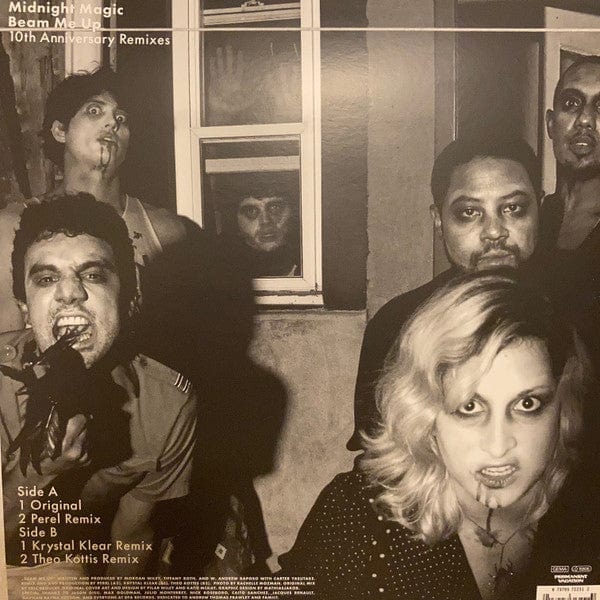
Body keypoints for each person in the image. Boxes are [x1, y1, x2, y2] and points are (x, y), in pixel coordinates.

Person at [280, 271, 589, 600]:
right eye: (469, 407)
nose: (499, 446)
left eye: (527, 404)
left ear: (563, 404)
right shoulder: (355, 515)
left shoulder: (586, 512)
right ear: (424, 411)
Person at [0, 194, 196, 589]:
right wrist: (40, 472)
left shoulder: (167, 403)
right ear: (24, 307)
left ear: (128, 297)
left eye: (92, 275)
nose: (70, 293)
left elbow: (131, 538)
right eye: (46, 278)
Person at [348, 135, 542, 450]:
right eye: (470, 212)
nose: (494, 231)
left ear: (539, 208)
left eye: (513, 208)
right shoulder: (396, 324)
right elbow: (375, 458)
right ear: (438, 220)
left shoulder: (578, 313)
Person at [0, 67, 186, 332]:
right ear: (60, 131)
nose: (112, 123)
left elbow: (177, 336)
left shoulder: (166, 230)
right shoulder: (11, 226)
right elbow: (7, 342)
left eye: (121, 118)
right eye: (94, 111)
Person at [218, 171, 301, 278]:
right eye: (251, 211)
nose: (265, 221)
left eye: (275, 207)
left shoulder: (312, 268)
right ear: (235, 220)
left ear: (294, 212)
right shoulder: (221, 273)